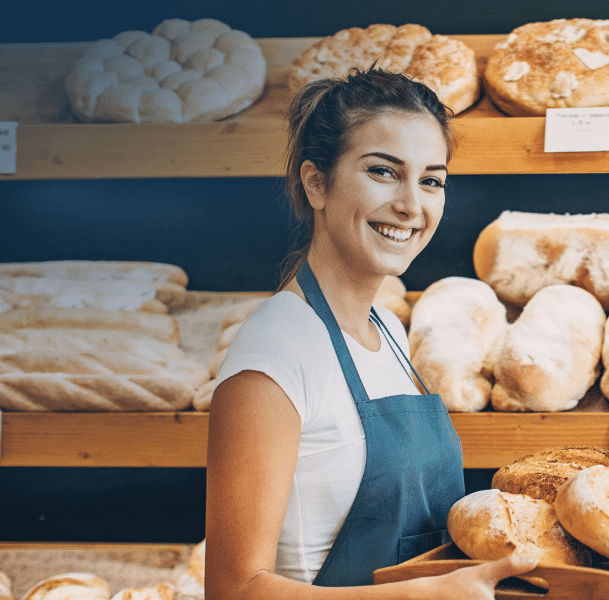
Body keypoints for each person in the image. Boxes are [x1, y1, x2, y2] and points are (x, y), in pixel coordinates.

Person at [204, 69, 536, 599]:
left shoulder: (388, 334)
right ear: (317, 183)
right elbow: (233, 591)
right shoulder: (275, 352)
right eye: (383, 172)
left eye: (431, 180)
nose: (411, 205)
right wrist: (420, 596)